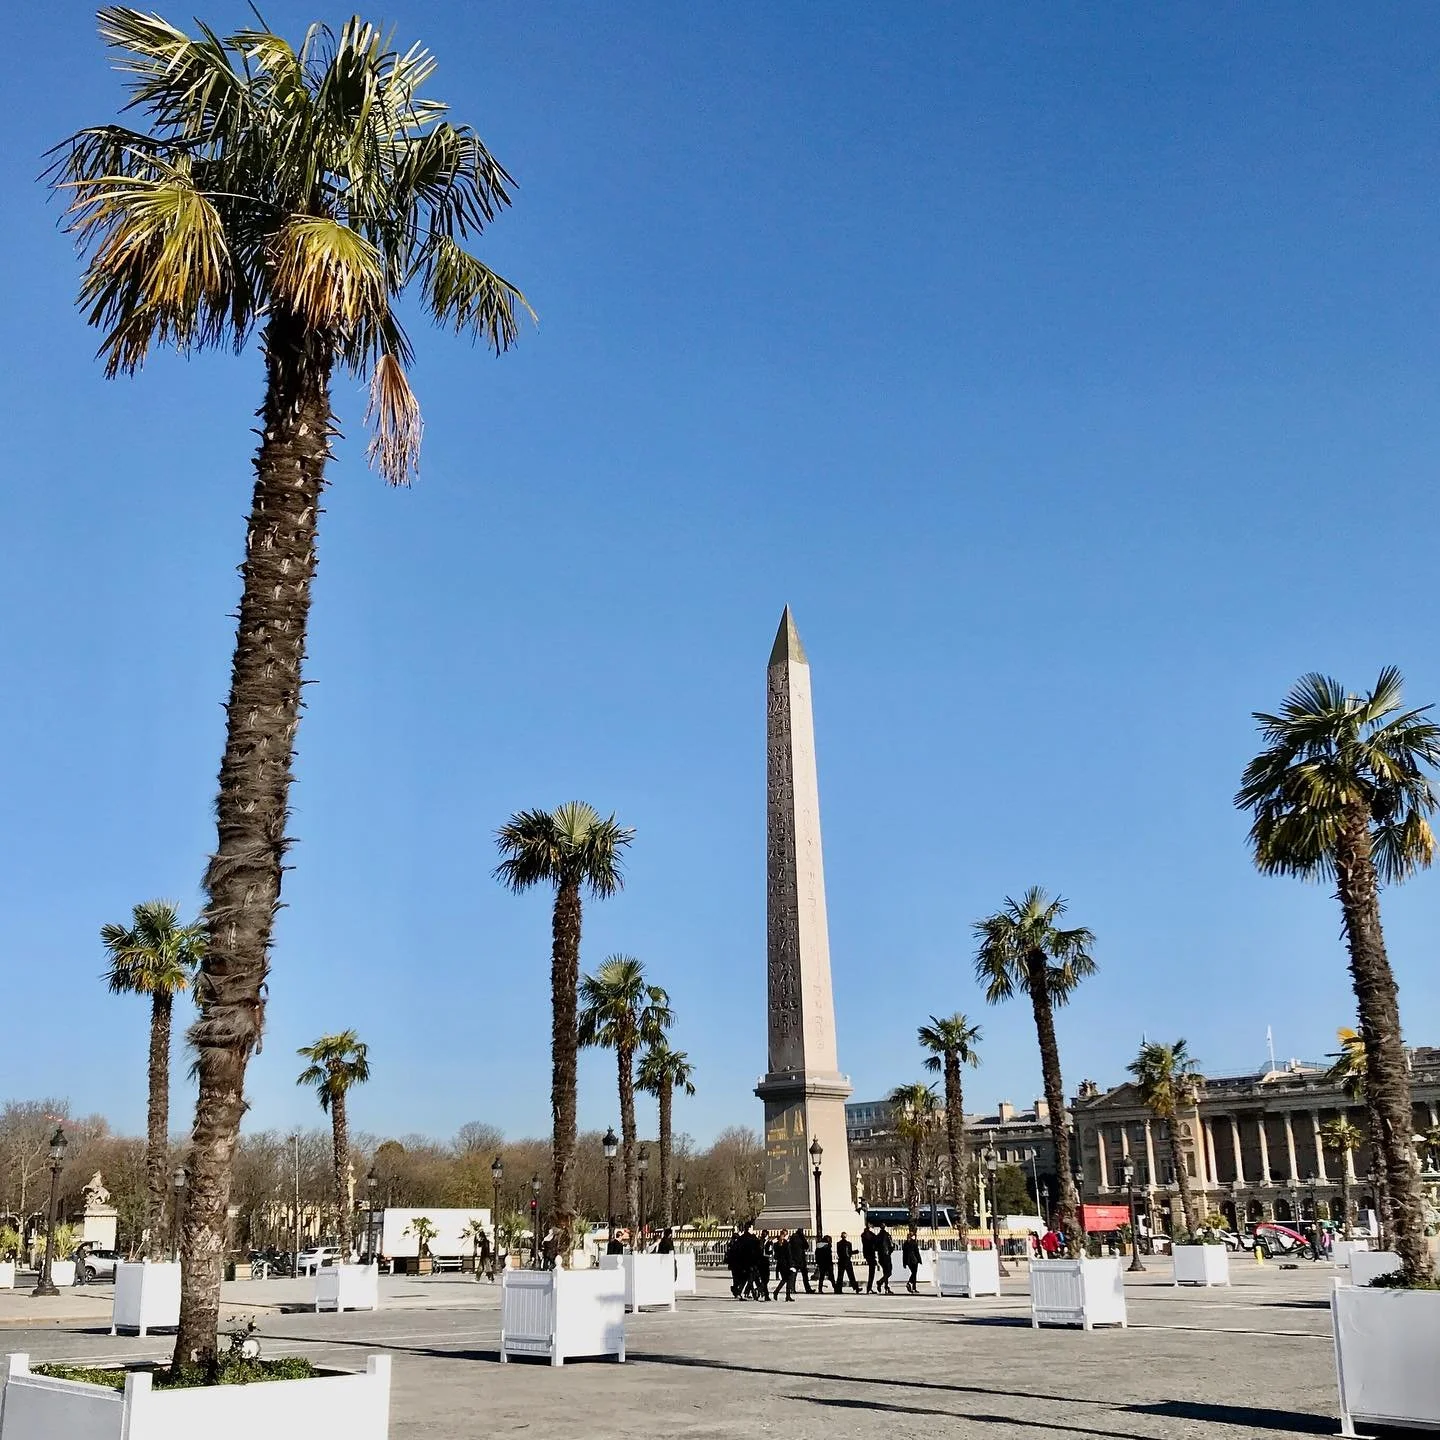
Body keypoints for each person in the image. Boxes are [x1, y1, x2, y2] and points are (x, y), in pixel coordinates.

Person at [772, 1227, 796, 1301]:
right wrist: (791, 1265)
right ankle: (786, 1295)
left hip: (780, 1264)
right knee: (788, 1279)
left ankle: (777, 1292)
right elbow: (789, 1255)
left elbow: (776, 1255)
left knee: (785, 1279)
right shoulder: (786, 1244)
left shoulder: (776, 1244)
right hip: (787, 1264)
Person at [788, 1227, 813, 1294]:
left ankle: (792, 1289)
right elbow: (806, 1246)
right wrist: (803, 1238)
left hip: (795, 1259)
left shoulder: (792, 1238)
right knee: (804, 1275)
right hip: (800, 1259)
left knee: (794, 1275)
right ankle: (807, 1289)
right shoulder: (801, 1238)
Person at [875, 1222, 895, 1294]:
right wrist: (890, 1251)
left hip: (880, 1256)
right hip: (886, 1255)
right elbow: (891, 1245)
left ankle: (886, 1287)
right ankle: (880, 1282)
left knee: (885, 1272)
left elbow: (875, 1247)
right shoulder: (887, 1235)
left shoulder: (877, 1236)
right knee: (889, 1272)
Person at [901, 1226, 921, 1294]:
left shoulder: (905, 1244)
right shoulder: (914, 1243)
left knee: (913, 1273)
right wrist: (919, 1260)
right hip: (914, 1260)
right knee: (914, 1273)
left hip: (908, 1261)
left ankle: (913, 1287)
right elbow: (917, 1252)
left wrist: (904, 1263)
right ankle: (910, 1284)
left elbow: (904, 1254)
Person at [860, 1220, 879, 1293]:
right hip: (871, 1254)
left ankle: (869, 1287)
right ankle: (869, 1287)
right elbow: (875, 1241)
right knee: (872, 1271)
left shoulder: (864, 1235)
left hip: (867, 1254)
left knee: (872, 1271)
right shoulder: (870, 1235)